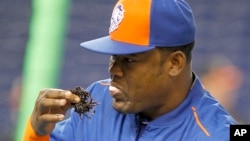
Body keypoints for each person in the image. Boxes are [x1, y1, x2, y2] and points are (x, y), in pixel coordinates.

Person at [23, 0, 237, 140]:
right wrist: (37, 133)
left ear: (175, 64)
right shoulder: (96, 100)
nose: (114, 69)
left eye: (130, 60)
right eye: (114, 56)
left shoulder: (220, 134)